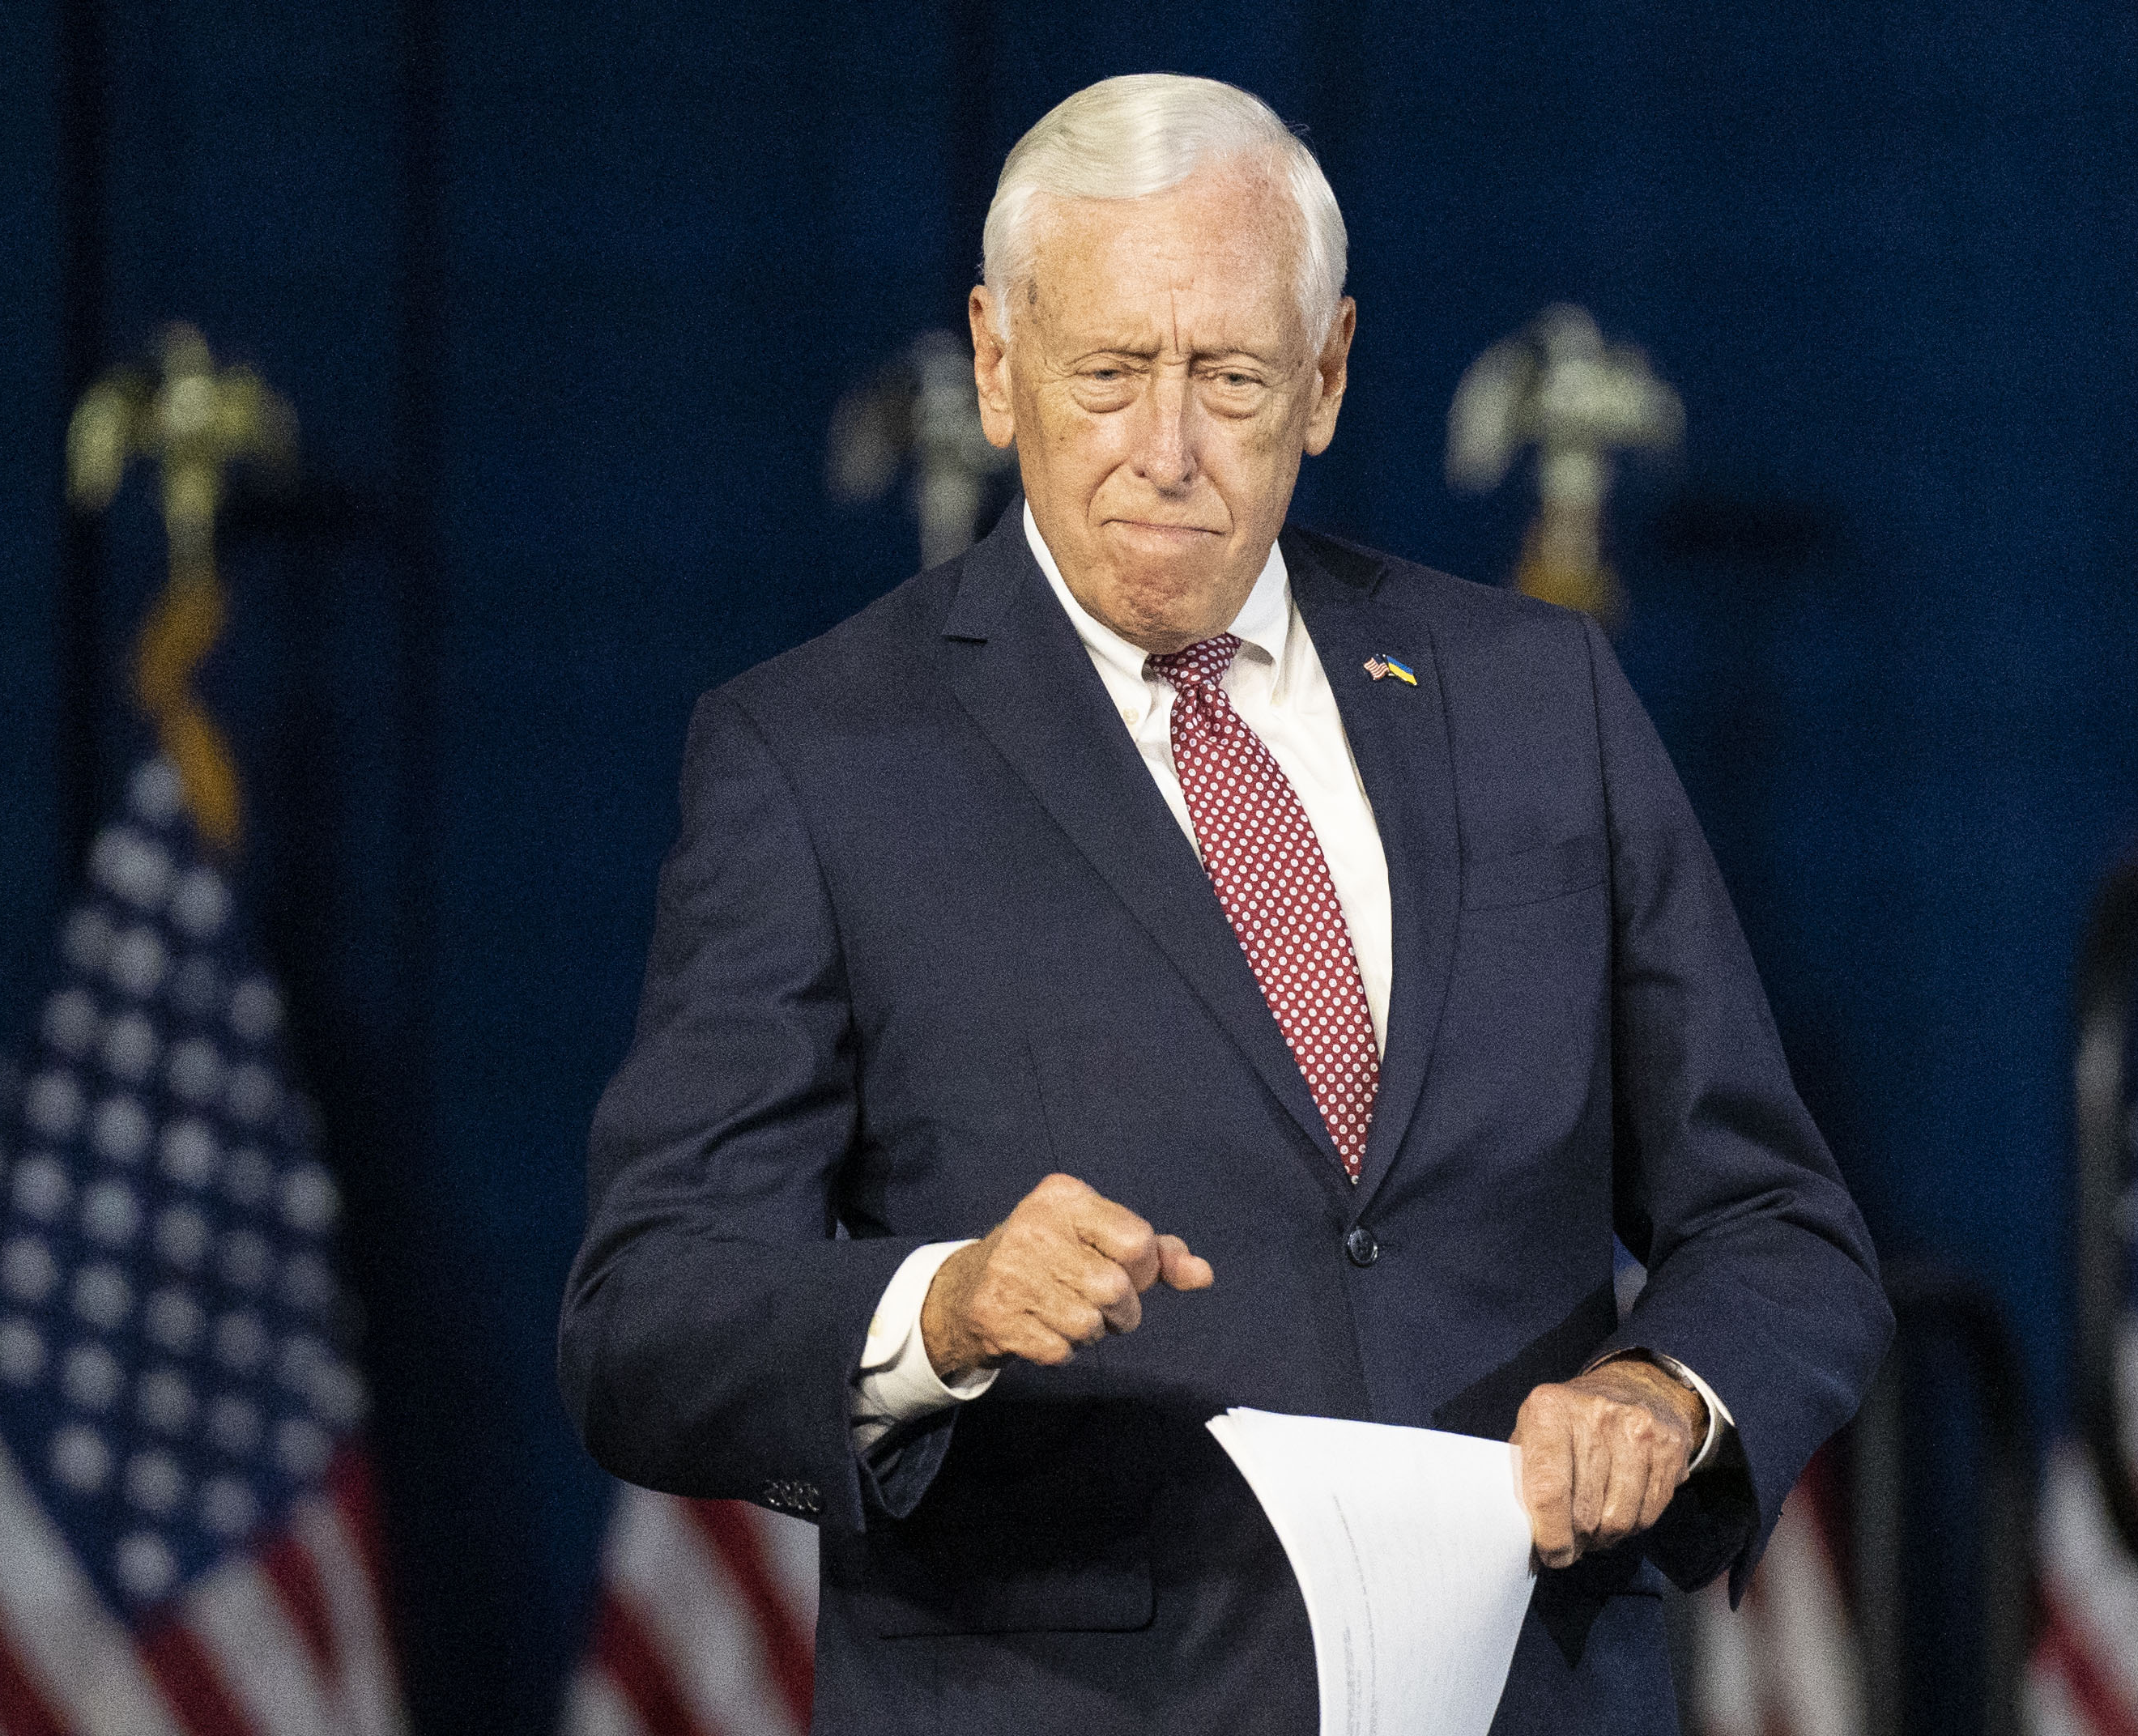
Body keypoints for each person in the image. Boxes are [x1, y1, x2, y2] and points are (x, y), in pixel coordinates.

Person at [560, 72, 1889, 1734]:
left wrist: (1661, 1390)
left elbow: (1778, 1223)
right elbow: (645, 1315)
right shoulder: (817, 756)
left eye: (1232, 377)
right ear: (993, 362)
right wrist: (941, 1304)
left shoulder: (1534, 696)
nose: (1165, 451)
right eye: (1108, 375)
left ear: (1326, 374)